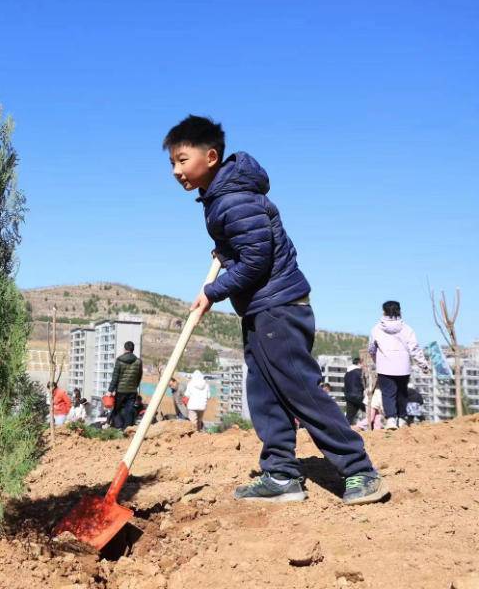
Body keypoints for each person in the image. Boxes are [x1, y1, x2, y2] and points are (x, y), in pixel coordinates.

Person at [164, 115, 385, 505]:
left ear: (210, 156)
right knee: (264, 394)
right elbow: (248, 247)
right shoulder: (222, 198)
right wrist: (226, 251)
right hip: (262, 308)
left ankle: (359, 470)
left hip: (278, 307)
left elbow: (257, 260)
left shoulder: (231, 199)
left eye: (182, 160)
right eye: (172, 163)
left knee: (301, 390)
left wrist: (213, 292)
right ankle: (281, 474)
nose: (176, 171)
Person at [368, 301, 429, 430]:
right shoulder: (407, 329)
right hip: (403, 367)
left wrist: (377, 360)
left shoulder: (376, 329)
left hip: (384, 367)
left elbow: (372, 349)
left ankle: (391, 419)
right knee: (402, 393)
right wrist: (423, 365)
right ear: (400, 311)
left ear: (383, 312)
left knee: (388, 393)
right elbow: (415, 348)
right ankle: (401, 419)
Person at [107, 341, 144, 430]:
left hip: (120, 391)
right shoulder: (138, 361)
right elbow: (139, 376)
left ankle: (117, 427)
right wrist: (135, 386)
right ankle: (127, 429)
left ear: (124, 349)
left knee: (117, 409)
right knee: (129, 410)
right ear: (133, 350)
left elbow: (115, 377)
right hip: (132, 391)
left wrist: (110, 390)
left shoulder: (119, 360)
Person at [343, 358, 366, 425]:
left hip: (348, 396)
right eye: (363, 364)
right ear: (359, 363)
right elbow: (364, 383)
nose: (363, 365)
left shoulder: (347, 373)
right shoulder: (360, 372)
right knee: (370, 412)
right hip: (358, 396)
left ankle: (344, 430)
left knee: (349, 416)